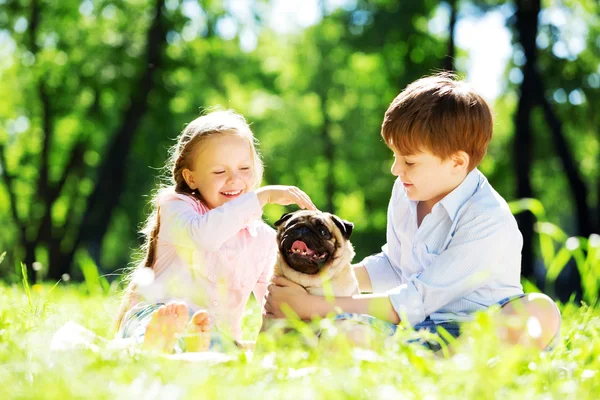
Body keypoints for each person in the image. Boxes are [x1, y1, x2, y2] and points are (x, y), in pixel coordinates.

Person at [264, 73, 561, 351]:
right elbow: (395, 266)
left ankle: (460, 365)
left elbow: (412, 301)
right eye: (395, 157)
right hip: (416, 331)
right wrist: (311, 281)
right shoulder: (407, 191)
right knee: (342, 332)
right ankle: (431, 363)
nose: (396, 170)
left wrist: (308, 306)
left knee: (537, 310)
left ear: (457, 162)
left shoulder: (486, 219)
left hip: (477, 333)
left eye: (409, 162)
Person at [114, 109, 316, 353]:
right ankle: (158, 341)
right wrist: (261, 197)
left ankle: (190, 346)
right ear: (191, 178)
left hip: (212, 334)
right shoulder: (175, 208)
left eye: (244, 168)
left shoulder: (263, 239)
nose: (234, 180)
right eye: (219, 172)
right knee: (165, 328)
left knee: (224, 345)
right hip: (153, 315)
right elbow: (205, 237)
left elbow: (273, 302)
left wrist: (287, 337)